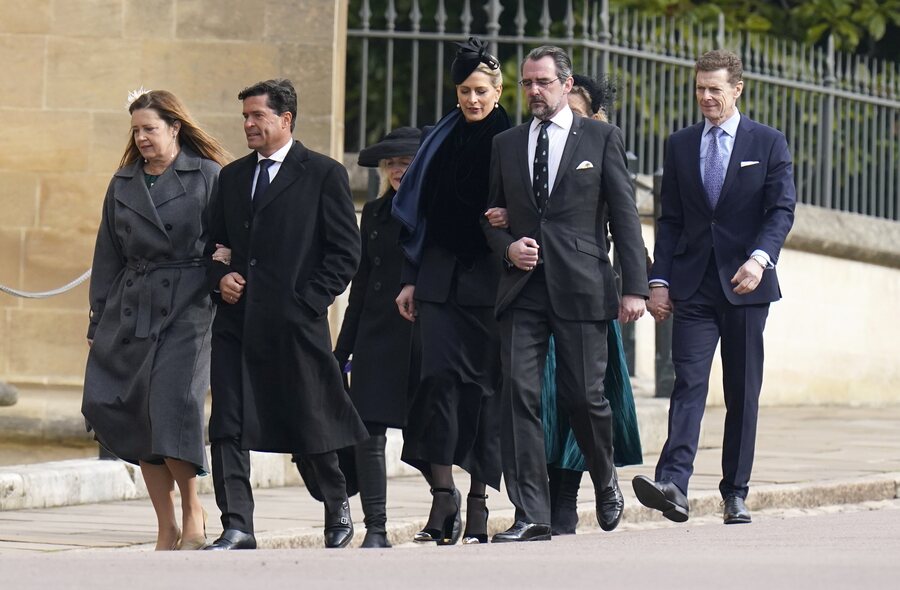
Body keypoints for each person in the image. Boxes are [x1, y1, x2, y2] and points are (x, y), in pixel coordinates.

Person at [482, 46, 649, 542]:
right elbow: (491, 217)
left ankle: (604, 478)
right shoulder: (506, 144)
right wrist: (508, 248)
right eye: (527, 83)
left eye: (543, 82)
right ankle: (531, 513)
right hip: (523, 290)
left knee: (584, 397)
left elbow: (624, 216)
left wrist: (635, 288)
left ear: (564, 83)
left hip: (582, 286)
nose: (534, 91)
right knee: (519, 397)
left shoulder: (601, 137)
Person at [632, 50, 796, 525]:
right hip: (694, 286)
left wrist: (760, 260)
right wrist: (658, 280)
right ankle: (673, 485)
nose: (705, 96)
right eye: (700, 87)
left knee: (742, 392)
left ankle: (735, 492)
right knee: (689, 384)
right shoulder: (680, 144)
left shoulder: (768, 142)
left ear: (737, 89)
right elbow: (671, 218)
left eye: (715, 89)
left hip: (746, 286)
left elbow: (781, 211)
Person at [204, 78, 368, 550]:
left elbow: (344, 253)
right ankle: (237, 525)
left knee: (309, 419)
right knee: (227, 425)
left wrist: (307, 303)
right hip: (237, 325)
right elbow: (212, 247)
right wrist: (220, 280)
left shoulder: (323, 173)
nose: (248, 125)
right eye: (245, 117)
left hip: (295, 325)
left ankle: (336, 502)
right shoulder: (232, 177)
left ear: (286, 119)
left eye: (257, 116)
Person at [83, 89, 230, 551]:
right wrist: (98, 321)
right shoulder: (123, 182)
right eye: (136, 130)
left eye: (150, 128)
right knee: (136, 413)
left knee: (175, 406)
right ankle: (165, 523)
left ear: (175, 128)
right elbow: (107, 255)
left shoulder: (208, 175)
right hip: (132, 305)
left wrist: (226, 259)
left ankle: (193, 514)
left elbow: (232, 235)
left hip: (189, 305)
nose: (142, 138)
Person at [392, 37, 510, 545]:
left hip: (489, 282)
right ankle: (443, 498)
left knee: (482, 392)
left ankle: (480, 501)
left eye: (481, 90)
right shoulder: (440, 139)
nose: (472, 100)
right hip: (439, 279)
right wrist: (411, 277)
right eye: (464, 91)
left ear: (499, 90)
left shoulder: (515, 138)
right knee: (434, 383)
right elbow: (423, 213)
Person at [331, 127, 422, 548]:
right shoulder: (374, 212)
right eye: (392, 164)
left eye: (407, 162)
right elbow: (361, 283)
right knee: (369, 434)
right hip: (374, 335)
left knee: (428, 435)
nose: (399, 170)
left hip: (420, 335)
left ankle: (446, 500)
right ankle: (377, 527)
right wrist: (342, 349)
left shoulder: (434, 211)